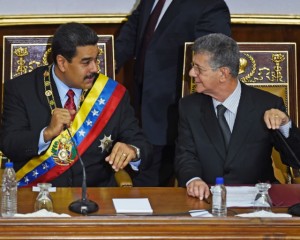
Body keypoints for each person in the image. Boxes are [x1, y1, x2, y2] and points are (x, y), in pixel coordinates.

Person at [0, 22, 152, 187]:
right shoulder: (21, 89)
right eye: (86, 62)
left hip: (98, 196)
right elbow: (9, 144)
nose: (95, 68)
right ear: (62, 62)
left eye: (96, 59)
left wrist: (132, 150)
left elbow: (142, 144)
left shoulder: (112, 94)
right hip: (39, 193)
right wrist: (46, 134)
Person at [115, 0, 231, 186]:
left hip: (173, 113)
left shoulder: (210, 4)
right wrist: (105, 64)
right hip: (140, 106)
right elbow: (132, 31)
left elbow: (214, 60)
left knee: (154, 185)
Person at [175, 33, 300, 200]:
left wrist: (285, 124)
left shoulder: (267, 105)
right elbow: (185, 155)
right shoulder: (189, 107)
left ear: (223, 74)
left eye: (199, 69)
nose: (191, 73)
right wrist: (194, 179)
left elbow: (296, 159)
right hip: (206, 198)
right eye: (193, 66)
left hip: (259, 200)